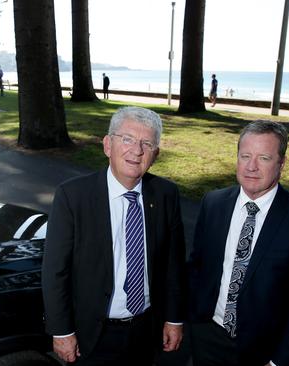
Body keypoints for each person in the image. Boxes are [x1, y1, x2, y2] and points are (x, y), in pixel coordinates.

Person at [42, 106, 187, 365]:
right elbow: (55, 270)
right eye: (127, 139)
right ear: (108, 145)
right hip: (92, 334)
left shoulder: (166, 195)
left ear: (156, 154)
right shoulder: (73, 196)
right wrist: (62, 331)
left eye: (147, 143)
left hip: (146, 331)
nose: (137, 150)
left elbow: (173, 264)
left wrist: (174, 319)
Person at [187, 120, 289, 366]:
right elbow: (197, 266)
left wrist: (280, 361)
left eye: (264, 158)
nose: (251, 167)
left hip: (263, 350)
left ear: (281, 163)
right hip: (207, 335)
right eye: (245, 156)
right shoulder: (213, 203)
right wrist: (190, 319)